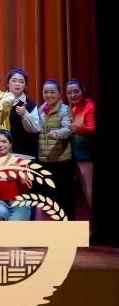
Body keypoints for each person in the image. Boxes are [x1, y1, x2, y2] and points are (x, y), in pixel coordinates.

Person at [29, 80, 74, 219]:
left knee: (64, 197)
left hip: (61, 161)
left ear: (59, 94)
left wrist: (56, 134)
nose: (49, 95)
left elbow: (68, 129)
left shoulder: (65, 110)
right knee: (49, 198)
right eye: (46, 92)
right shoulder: (40, 110)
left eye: (52, 92)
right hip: (44, 160)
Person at [0, 129, 32, 221]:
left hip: (19, 202)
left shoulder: (20, 161)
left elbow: (27, 186)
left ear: (10, 144)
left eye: (4, 141)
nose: (0, 145)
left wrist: (19, 171)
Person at [65, 79, 94, 219]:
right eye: (69, 92)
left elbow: (93, 129)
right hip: (77, 155)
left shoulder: (90, 106)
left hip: (88, 155)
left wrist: (77, 129)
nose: (73, 95)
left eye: (76, 91)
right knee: (85, 188)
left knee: (90, 189)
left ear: (83, 91)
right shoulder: (74, 109)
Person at [4, 69, 37, 155]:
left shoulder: (30, 104)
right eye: (14, 80)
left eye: (21, 82)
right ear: (8, 83)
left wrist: (25, 114)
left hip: (25, 151)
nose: (17, 84)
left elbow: (36, 128)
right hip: (2, 150)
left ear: (25, 85)